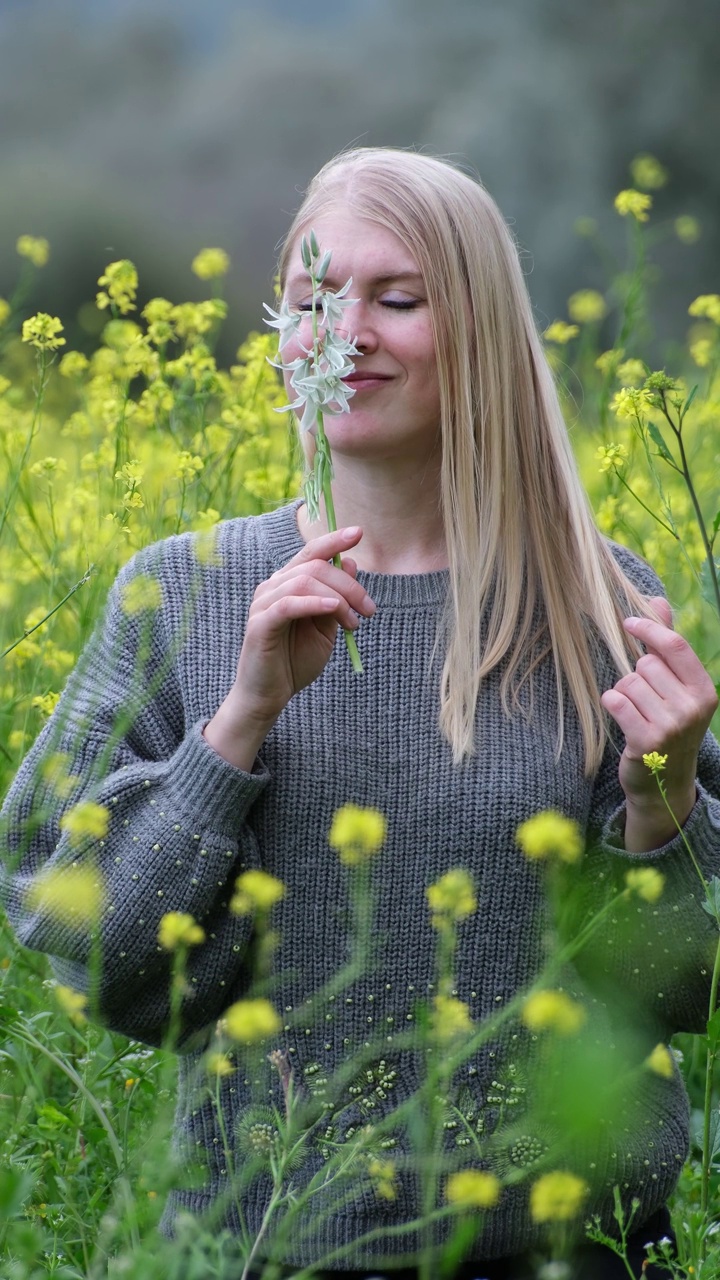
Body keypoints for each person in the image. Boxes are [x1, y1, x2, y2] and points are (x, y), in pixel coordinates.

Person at [2, 147, 719, 1280]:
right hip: (265, 1245)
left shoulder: (598, 597)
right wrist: (236, 722)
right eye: (312, 299)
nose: (344, 331)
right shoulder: (180, 588)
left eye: (397, 298)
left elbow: (682, 985)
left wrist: (663, 801)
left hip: (564, 1250)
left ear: (478, 328)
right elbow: (92, 948)